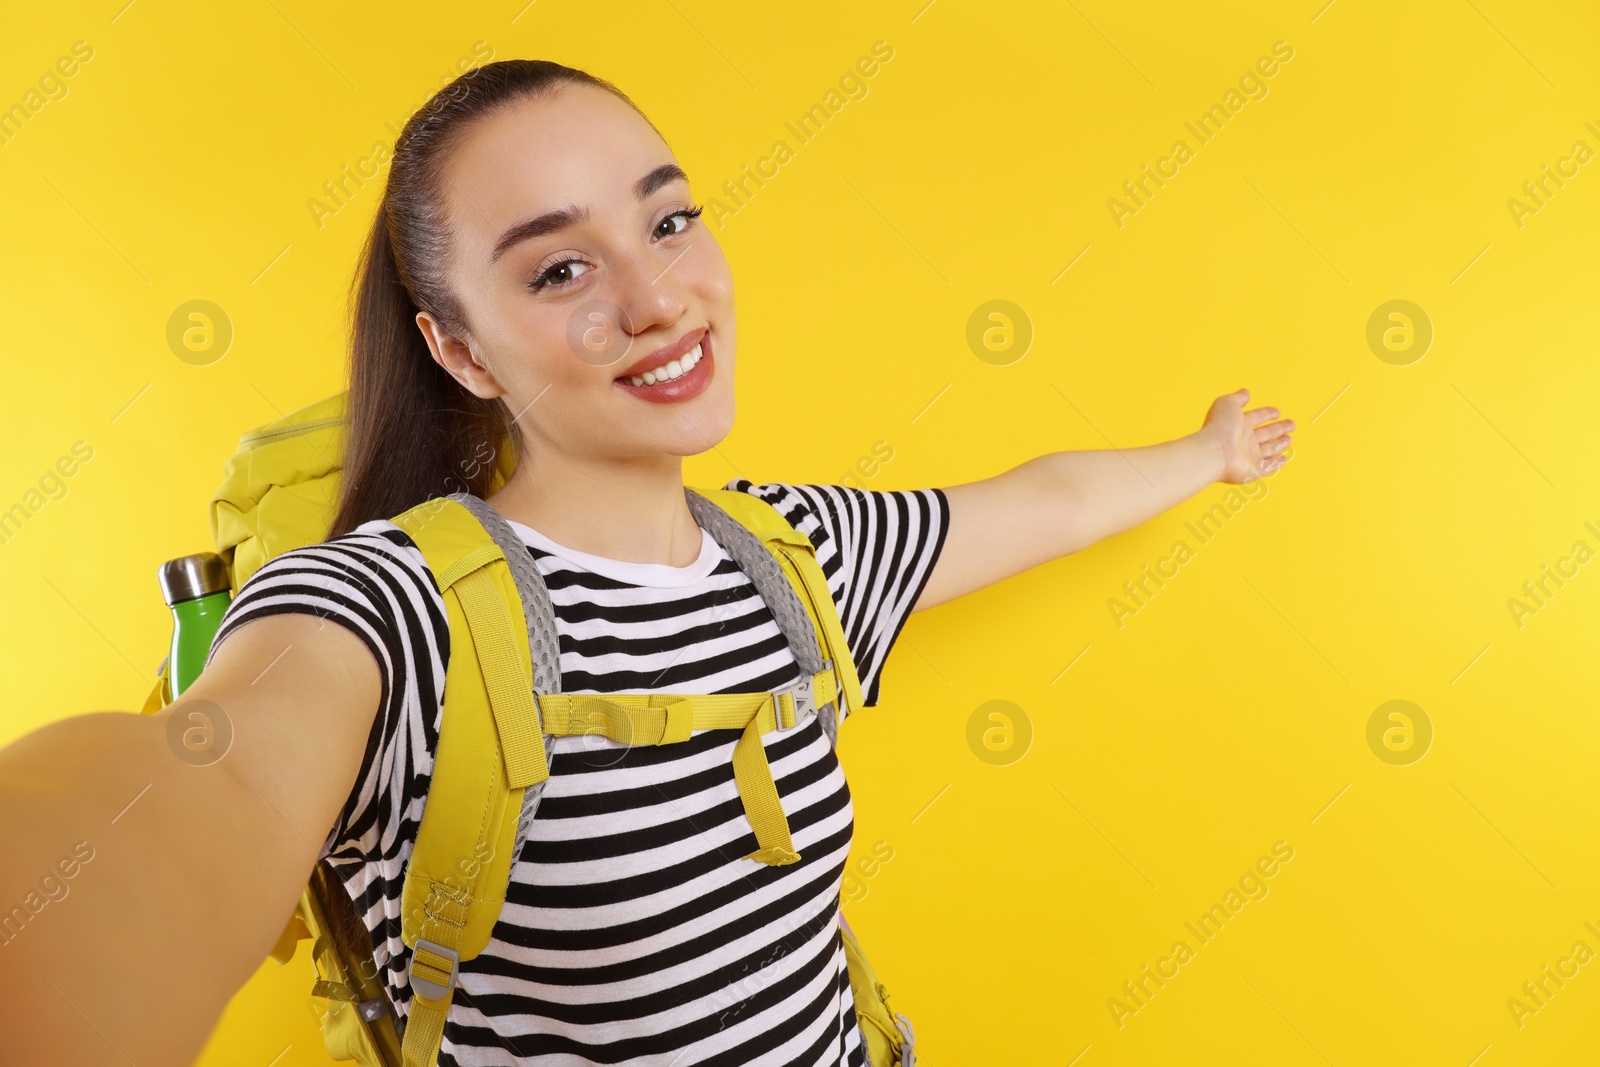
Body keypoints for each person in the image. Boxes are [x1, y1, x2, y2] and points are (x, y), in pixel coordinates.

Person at [0, 59, 1293, 1067]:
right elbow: (183, 797)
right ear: (458, 351)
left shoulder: (795, 554)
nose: (657, 297)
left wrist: (1209, 449)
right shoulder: (394, 610)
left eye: (669, 222)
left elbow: (1040, 502)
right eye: (561, 267)